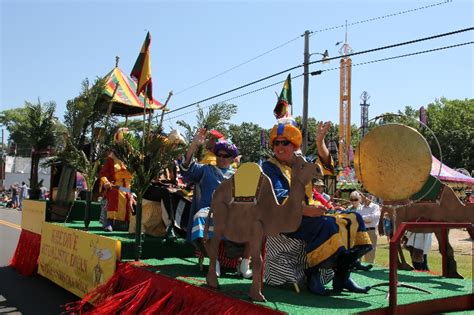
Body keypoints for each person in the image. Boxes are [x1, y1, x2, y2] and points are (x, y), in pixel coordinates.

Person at [262, 119, 372, 295]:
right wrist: (306, 210)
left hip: (308, 214)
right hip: (285, 219)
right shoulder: (269, 167)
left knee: (354, 218)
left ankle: (342, 276)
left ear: (294, 144)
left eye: (285, 142)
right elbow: (278, 197)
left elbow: (327, 168)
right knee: (327, 224)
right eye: (276, 142)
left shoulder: (301, 161)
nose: (280, 146)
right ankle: (313, 275)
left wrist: (320, 141)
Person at [179, 128, 252, 278]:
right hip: (210, 210)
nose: (222, 157)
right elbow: (186, 170)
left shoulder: (240, 175)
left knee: (255, 222)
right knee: (200, 217)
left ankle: (245, 263)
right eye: (219, 154)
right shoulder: (206, 170)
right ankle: (214, 262)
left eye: (226, 155)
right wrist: (193, 145)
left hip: (232, 214)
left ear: (232, 158)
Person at [99, 128, 135, 232]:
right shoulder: (111, 158)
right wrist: (106, 182)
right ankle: (110, 222)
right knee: (115, 192)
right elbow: (103, 174)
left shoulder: (132, 158)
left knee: (135, 197)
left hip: (129, 188)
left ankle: (131, 224)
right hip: (116, 186)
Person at [359, 193, 381, 264]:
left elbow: (372, 218)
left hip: (372, 231)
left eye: (366, 197)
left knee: (371, 251)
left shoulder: (375, 207)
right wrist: (366, 219)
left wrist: (363, 218)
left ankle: (370, 266)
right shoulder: (360, 208)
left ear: (371, 198)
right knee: (360, 249)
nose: (364, 199)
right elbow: (358, 218)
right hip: (362, 231)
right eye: (363, 197)